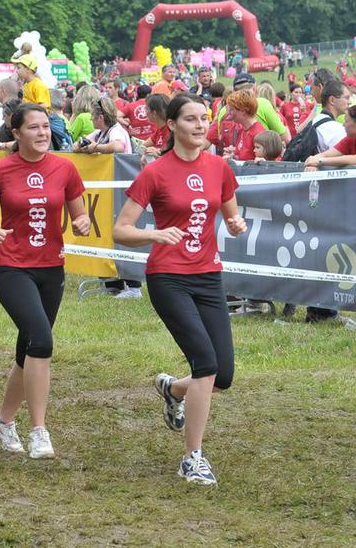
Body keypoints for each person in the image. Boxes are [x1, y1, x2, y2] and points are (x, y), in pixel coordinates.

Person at [112, 94, 247, 486]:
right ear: (171, 125)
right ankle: (192, 458)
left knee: (222, 376)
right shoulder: (155, 172)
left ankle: (173, 389)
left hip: (208, 276)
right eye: (190, 119)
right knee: (205, 363)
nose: (200, 125)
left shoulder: (219, 167)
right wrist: (155, 234)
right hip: (168, 277)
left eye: (204, 118)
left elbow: (231, 213)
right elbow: (121, 230)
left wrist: (236, 224)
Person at [0, 103, 90, 459]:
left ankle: (3, 421)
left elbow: (79, 213)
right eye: (33, 127)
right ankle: (39, 430)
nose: (42, 133)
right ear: (16, 132)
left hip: (51, 269)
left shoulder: (65, 168)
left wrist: (81, 222)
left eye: (45, 126)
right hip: (11, 266)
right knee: (42, 340)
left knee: (29, 350)